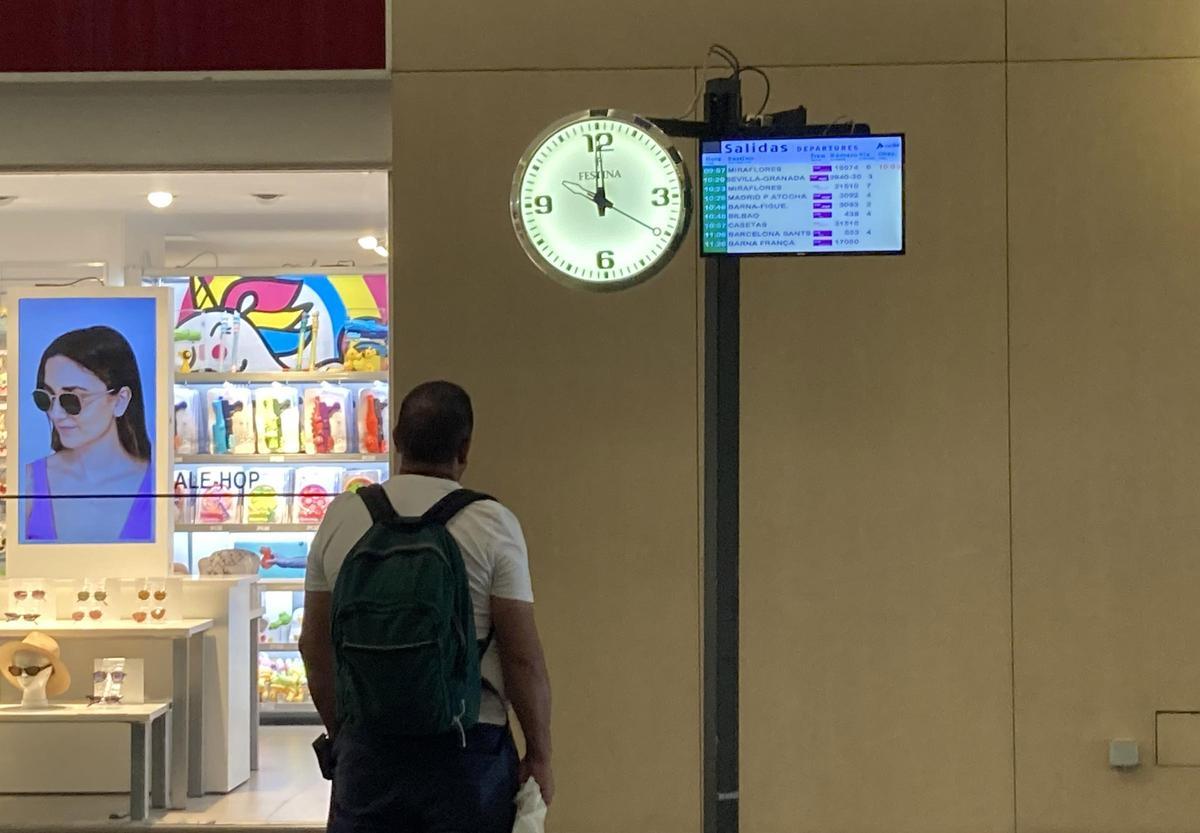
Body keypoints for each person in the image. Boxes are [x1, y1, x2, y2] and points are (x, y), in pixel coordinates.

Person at [300, 380, 554, 833]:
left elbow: (313, 647)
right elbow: (522, 657)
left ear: (396, 440)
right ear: (465, 447)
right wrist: (539, 754)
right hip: (467, 752)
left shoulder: (342, 518)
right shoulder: (492, 524)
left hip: (369, 751)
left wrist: (343, 736)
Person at [23, 326, 153, 543]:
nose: (55, 414)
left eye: (72, 399)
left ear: (120, 400)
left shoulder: (156, 484)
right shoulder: (28, 481)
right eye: (46, 398)